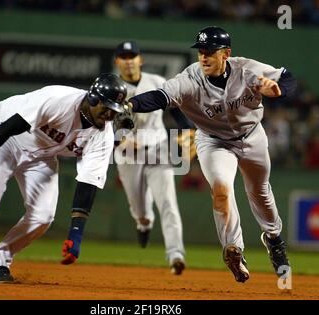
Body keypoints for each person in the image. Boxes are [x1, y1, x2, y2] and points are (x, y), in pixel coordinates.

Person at [126, 26, 296, 283]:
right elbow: (159, 96)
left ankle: (273, 239)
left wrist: (278, 89)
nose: (203, 56)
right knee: (221, 189)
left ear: (226, 53)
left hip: (252, 137)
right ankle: (234, 249)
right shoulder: (190, 79)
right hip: (214, 142)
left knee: (260, 191)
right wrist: (130, 104)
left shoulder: (246, 69)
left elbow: (287, 77)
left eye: (210, 51)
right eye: (200, 51)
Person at [0, 73, 129, 282]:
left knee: (43, 216)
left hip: (41, 154)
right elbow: (11, 126)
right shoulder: (59, 100)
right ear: (93, 98)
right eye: (106, 107)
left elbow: (87, 184)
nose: (110, 115)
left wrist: (76, 233)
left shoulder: (103, 136)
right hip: (6, 136)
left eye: (114, 111)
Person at [113, 41, 186, 275]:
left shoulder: (155, 82)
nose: (128, 60)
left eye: (132, 56)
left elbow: (176, 108)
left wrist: (187, 130)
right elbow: (100, 123)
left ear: (140, 59)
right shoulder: (112, 88)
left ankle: (176, 254)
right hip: (127, 153)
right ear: (117, 62)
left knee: (168, 202)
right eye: (124, 57)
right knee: (141, 209)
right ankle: (144, 223)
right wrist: (120, 140)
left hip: (158, 147)